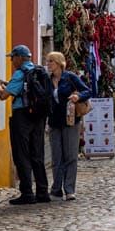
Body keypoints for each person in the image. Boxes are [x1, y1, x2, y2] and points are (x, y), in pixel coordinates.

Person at [0, 45, 50, 204]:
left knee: (22, 154)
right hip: (38, 117)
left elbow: (4, 95)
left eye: (13, 57)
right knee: (37, 154)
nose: (11, 61)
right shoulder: (39, 71)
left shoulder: (20, 74)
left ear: (19, 57)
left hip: (22, 117)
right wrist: (7, 83)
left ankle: (27, 193)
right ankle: (43, 191)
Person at [43, 51, 91, 201]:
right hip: (54, 122)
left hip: (70, 121)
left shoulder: (69, 77)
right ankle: (56, 189)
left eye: (51, 61)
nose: (48, 64)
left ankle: (69, 189)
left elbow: (87, 91)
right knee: (57, 157)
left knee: (70, 155)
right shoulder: (47, 80)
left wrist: (78, 96)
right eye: (47, 61)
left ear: (58, 63)